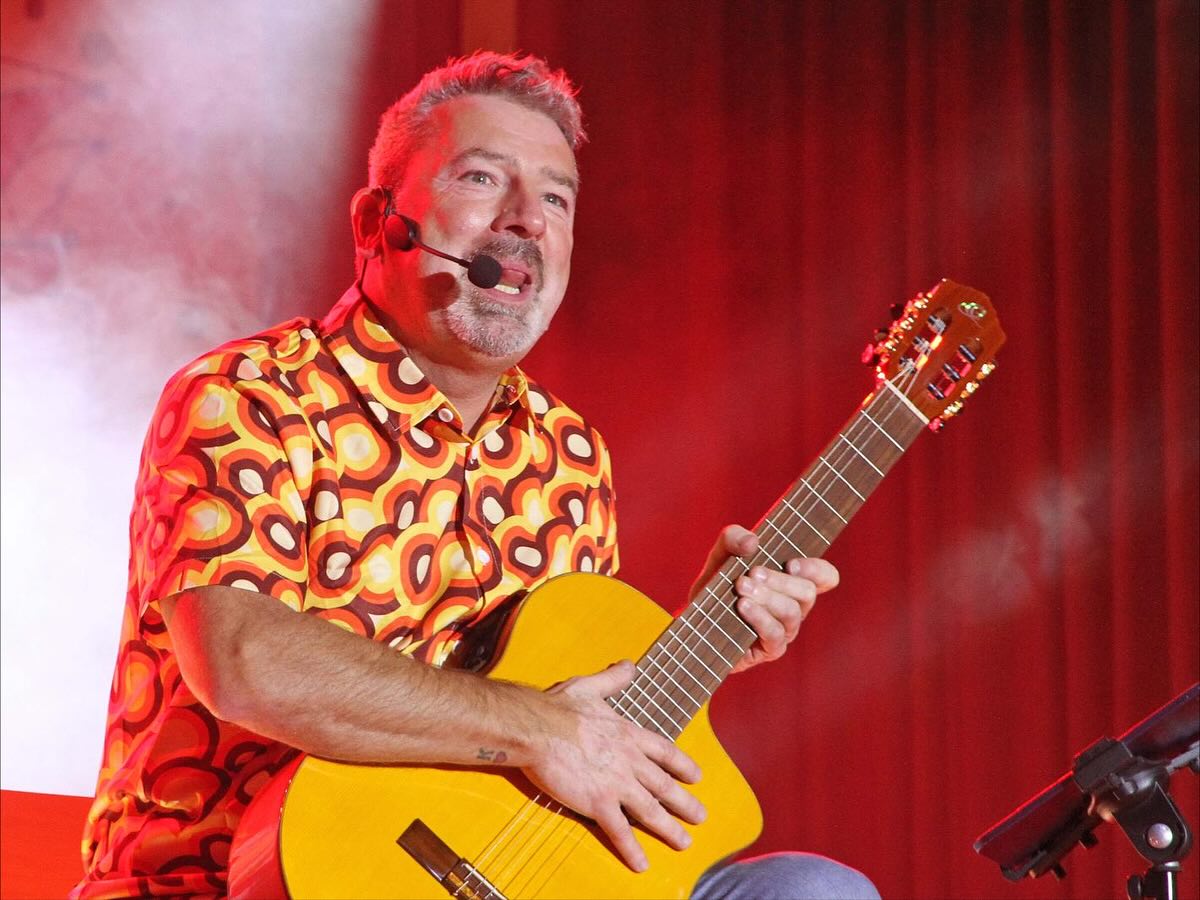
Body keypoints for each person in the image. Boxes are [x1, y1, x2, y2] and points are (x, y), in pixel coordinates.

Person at [74, 52, 879, 899]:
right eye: (483, 178)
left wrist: (702, 636)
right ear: (376, 221)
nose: (527, 218)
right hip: (231, 882)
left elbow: (578, 715)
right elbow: (245, 661)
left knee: (813, 891)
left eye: (557, 199)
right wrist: (539, 729)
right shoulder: (251, 395)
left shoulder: (570, 453)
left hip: (500, 874)